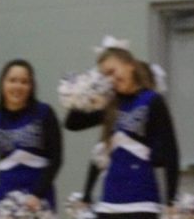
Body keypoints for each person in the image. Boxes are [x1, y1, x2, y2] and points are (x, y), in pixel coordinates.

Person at [65, 47, 180, 219]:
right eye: (105, 77)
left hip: (142, 201)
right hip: (109, 203)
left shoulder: (152, 100)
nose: (111, 79)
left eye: (112, 71)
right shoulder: (109, 104)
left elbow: (171, 152)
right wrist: (84, 93)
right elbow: (72, 124)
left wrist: (171, 200)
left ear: (130, 65)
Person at [0, 59, 63, 219]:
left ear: (31, 87)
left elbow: (57, 159)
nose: (18, 86)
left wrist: (37, 194)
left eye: (24, 82)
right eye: (12, 80)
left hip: (38, 201)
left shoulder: (44, 113)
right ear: (2, 84)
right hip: (5, 201)